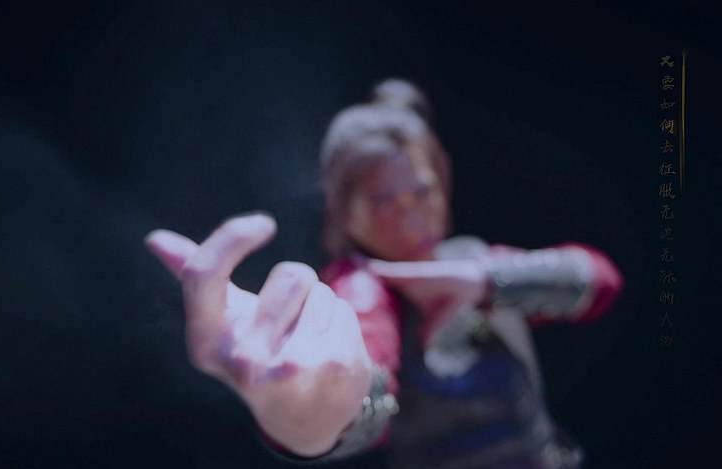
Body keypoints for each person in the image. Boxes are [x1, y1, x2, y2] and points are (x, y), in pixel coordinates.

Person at [144, 79, 623, 468]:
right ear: (346, 214)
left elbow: (601, 281)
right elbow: (361, 375)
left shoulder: (468, 258)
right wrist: (312, 409)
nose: (412, 219)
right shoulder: (360, 289)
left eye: (422, 193)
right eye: (383, 203)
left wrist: (487, 282)